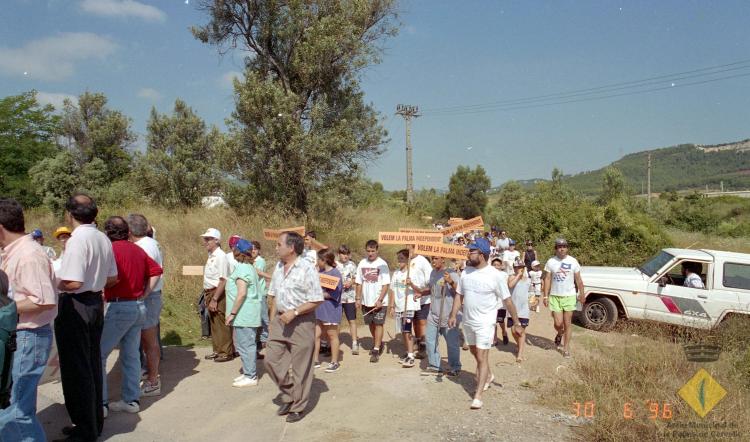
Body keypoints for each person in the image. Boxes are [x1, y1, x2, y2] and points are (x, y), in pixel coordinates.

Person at [55, 193, 118, 441]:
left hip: (77, 303)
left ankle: (83, 428)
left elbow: (73, 281)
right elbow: (113, 277)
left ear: (69, 214)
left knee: (76, 367)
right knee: (91, 363)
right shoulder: (102, 238)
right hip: (94, 302)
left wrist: (52, 281)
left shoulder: (77, 240)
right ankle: (93, 423)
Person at [0, 198, 57, 441]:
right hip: (22, 337)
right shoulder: (17, 252)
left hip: (28, 337)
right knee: (19, 408)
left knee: (16, 412)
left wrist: (5, 311)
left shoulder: (28, 255)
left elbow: (43, 300)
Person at [448, 238, 523, 410]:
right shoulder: (466, 272)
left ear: (481, 254)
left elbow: (508, 300)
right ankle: (488, 375)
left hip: (485, 322)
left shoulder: (496, 276)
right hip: (468, 321)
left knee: (482, 357)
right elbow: (459, 295)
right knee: (475, 353)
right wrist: (453, 314)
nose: (468, 254)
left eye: (471, 251)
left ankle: (478, 395)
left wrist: (516, 322)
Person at [100, 217, 162, 415]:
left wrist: (103, 286)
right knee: (131, 355)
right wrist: (144, 293)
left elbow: (110, 278)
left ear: (107, 234)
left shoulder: (110, 250)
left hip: (119, 306)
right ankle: (131, 400)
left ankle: (100, 404)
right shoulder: (137, 250)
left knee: (99, 354)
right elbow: (156, 271)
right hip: (138, 306)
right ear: (127, 232)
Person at [266, 231, 324, 423]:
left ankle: (298, 405)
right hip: (280, 321)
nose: (276, 247)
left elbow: (316, 299)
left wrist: (296, 312)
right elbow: (273, 295)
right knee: (270, 361)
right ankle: (291, 393)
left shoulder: (307, 268)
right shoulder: (278, 267)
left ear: (291, 248)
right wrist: (272, 320)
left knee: (301, 368)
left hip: (301, 322)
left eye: (278, 244)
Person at [127, 213, 164, 397]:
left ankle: (153, 381)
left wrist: (144, 293)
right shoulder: (150, 243)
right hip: (151, 295)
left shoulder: (144, 247)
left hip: (148, 297)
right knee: (148, 340)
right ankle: (150, 374)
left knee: (149, 341)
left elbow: (151, 273)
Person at [225, 239, 262, 387]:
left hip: (244, 314)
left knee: (245, 345)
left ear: (237, 251)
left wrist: (232, 313)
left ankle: (251, 375)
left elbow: (241, 293)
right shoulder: (248, 267)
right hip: (247, 313)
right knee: (244, 344)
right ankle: (248, 372)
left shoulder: (242, 269)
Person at [543, 238, 584, 359]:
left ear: (567, 248)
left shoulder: (573, 261)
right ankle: (559, 333)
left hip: (570, 296)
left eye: (564, 246)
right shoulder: (551, 261)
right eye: (559, 247)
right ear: (556, 249)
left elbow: (578, 280)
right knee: (558, 323)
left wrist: (582, 294)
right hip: (555, 296)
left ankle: (566, 349)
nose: (562, 248)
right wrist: (545, 295)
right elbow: (547, 279)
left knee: (567, 324)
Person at [424, 256, 461, 376]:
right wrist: (420, 293)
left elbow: (460, 292)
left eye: (435, 258)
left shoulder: (451, 273)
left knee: (451, 343)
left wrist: (450, 281)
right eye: (432, 259)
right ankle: (435, 365)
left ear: (443, 260)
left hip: (448, 314)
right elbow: (431, 290)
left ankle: (455, 366)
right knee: (430, 340)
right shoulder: (432, 272)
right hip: (434, 313)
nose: (433, 261)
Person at [201, 228, 234, 362]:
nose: (206, 241)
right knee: (214, 322)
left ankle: (226, 352)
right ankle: (217, 350)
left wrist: (215, 298)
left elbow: (223, 279)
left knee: (220, 322)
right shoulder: (212, 255)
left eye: (208, 239)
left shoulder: (220, 256)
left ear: (216, 240)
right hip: (210, 291)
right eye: (205, 239)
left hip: (217, 292)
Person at [355, 239, 391, 363]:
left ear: (377, 250)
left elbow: (386, 284)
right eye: (368, 251)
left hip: (380, 301)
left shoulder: (382, 264)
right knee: (371, 324)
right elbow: (359, 283)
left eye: (373, 251)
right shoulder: (362, 263)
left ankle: (376, 349)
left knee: (378, 323)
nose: (370, 253)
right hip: (366, 300)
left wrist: (380, 299)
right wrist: (358, 299)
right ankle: (378, 342)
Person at [388, 249, 421, 368]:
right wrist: (391, 306)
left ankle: (411, 356)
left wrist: (411, 284)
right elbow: (392, 290)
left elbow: (419, 290)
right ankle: (408, 352)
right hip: (399, 306)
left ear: (408, 259)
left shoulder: (412, 273)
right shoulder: (396, 273)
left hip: (409, 306)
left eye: (402, 259)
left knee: (407, 330)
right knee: (403, 331)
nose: (399, 261)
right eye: (398, 259)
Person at [313, 248, 343, 372]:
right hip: (319, 309)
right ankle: (315, 360)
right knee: (316, 335)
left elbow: (334, 294)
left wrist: (318, 294)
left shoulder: (336, 274)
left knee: (332, 335)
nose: (316, 262)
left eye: (318, 260)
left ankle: (334, 362)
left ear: (324, 260)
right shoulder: (319, 272)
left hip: (331, 309)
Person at [408, 244, 433, 359]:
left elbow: (430, 278)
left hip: (423, 297)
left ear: (415, 248)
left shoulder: (422, 260)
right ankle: (418, 341)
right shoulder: (407, 260)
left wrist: (423, 291)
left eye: (410, 248)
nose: (409, 250)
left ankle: (424, 345)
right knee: (414, 322)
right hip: (411, 298)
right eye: (407, 247)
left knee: (422, 322)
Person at [336, 245, 359, 355]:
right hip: (337, 298)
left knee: (352, 320)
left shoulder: (352, 265)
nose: (345, 256)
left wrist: (351, 282)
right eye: (342, 253)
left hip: (350, 297)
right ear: (338, 254)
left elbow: (356, 278)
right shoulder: (334, 265)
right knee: (337, 322)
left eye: (347, 254)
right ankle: (335, 344)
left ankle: (354, 343)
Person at [507, 260, 531, 362]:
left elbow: (531, 292)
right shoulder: (511, 277)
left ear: (524, 268)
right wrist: (518, 276)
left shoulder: (528, 280)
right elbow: (510, 286)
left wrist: (534, 300)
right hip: (513, 310)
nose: (519, 269)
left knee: (521, 331)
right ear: (514, 268)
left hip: (524, 310)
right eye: (517, 267)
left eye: (521, 267)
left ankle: (520, 354)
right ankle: (519, 344)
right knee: (513, 330)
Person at [251, 240, 270, 354]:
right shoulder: (250, 261)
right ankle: (258, 339)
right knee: (256, 318)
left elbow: (256, 273)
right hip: (254, 293)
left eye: (255, 249)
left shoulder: (260, 261)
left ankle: (265, 338)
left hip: (261, 292)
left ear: (258, 250)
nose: (253, 251)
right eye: (251, 249)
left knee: (264, 318)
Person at [491, 258, 509, 346]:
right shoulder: (488, 275)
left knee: (500, 321)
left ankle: (504, 332)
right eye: (494, 265)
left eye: (498, 265)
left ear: (501, 266)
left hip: (501, 303)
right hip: (491, 302)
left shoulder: (504, 275)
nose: (496, 267)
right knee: (493, 322)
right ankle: (494, 339)